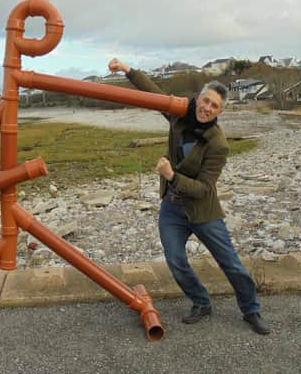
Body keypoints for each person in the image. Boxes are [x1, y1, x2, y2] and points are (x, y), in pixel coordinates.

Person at [108, 58, 270, 335]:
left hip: (203, 211)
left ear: (220, 111)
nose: (207, 108)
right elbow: (154, 94)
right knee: (176, 261)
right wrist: (128, 70)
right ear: (198, 99)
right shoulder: (179, 114)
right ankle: (201, 302)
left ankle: (251, 310)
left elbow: (205, 189)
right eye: (205, 100)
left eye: (214, 106)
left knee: (231, 264)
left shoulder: (218, 144)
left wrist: (172, 176)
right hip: (172, 209)